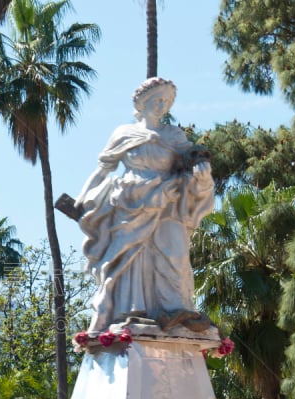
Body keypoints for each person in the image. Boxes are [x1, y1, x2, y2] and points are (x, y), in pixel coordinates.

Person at [74, 77, 214, 334]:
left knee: (176, 254)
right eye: (157, 100)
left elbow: (190, 168)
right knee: (130, 258)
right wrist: (83, 199)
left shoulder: (174, 136)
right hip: (130, 204)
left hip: (168, 202)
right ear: (142, 102)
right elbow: (103, 169)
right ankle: (132, 312)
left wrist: (202, 178)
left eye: (167, 101)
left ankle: (177, 311)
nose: (162, 106)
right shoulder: (123, 133)